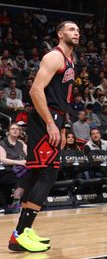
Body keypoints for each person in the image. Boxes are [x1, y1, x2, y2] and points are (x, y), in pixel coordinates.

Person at [8, 21, 78, 253]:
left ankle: (19, 234)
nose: (76, 33)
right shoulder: (54, 57)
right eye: (71, 29)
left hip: (56, 118)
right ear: (60, 34)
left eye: (78, 30)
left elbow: (62, 98)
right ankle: (22, 232)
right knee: (48, 173)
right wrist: (50, 122)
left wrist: (62, 124)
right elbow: (35, 90)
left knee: (38, 174)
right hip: (45, 119)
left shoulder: (70, 61)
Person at [0, 123, 27, 213]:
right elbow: (2, 159)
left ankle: (31, 203)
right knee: (23, 179)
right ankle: (15, 203)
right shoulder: (2, 144)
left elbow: (29, 156)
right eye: (13, 129)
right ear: (8, 131)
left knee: (33, 175)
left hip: (23, 169)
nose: (15, 130)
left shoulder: (21, 143)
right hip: (9, 171)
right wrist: (18, 162)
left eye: (17, 129)